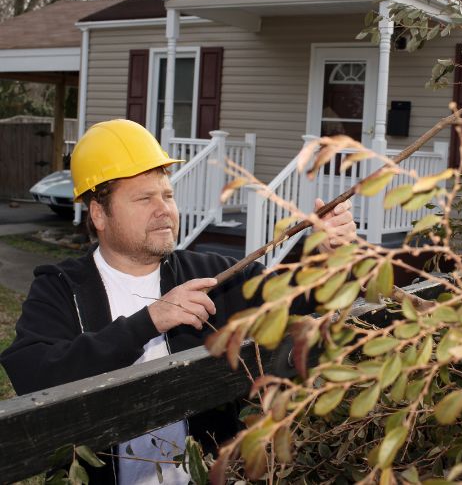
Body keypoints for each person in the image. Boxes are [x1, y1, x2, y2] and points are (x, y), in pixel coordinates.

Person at [0, 119, 356, 484]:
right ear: (98, 214)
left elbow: (296, 297)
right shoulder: (61, 289)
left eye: (167, 195)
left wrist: (327, 258)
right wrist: (148, 321)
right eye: (143, 198)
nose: (164, 210)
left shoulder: (211, 277)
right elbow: (34, 374)